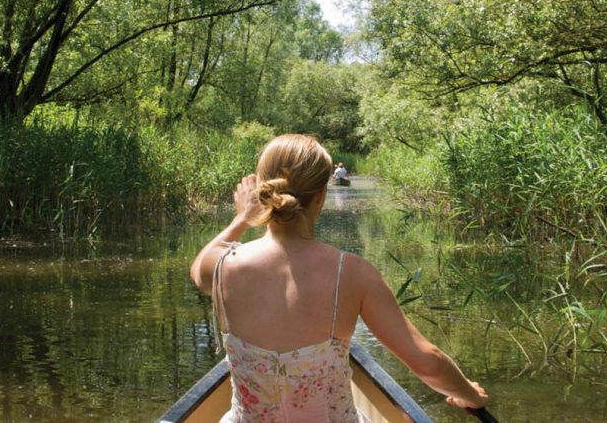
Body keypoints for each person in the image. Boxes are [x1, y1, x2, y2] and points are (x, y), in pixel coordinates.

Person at [190, 134, 489, 422]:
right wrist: (468, 395)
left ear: (262, 192)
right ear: (321, 196)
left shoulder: (221, 267)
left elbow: (199, 269)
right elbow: (427, 363)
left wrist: (242, 218)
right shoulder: (353, 273)